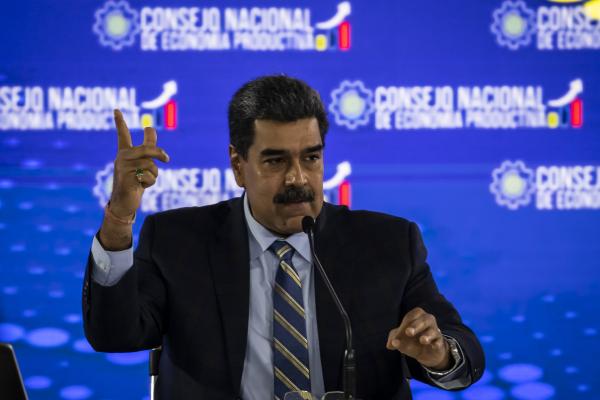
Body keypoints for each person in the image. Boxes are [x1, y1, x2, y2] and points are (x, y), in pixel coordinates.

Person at [82, 75, 485, 399]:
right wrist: (119, 218)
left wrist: (438, 353)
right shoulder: (179, 240)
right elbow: (113, 335)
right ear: (238, 165)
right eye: (275, 161)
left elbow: (461, 355)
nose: (297, 179)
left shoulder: (388, 243)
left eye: (311, 158)